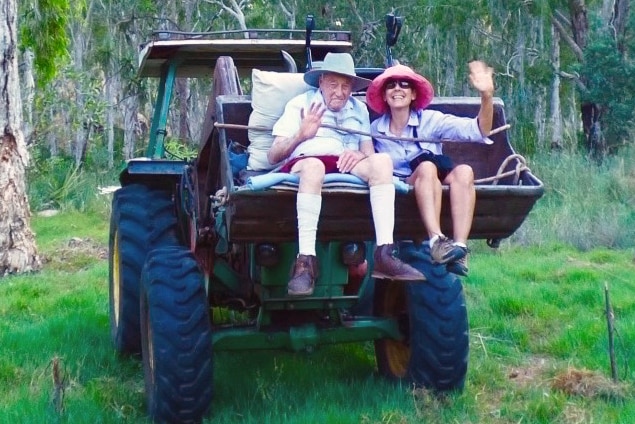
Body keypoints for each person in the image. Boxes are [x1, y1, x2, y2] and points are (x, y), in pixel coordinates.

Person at [268, 52, 424, 297]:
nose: (339, 92)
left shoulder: (358, 109)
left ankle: (384, 253)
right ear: (321, 82)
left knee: (382, 162)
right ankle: (305, 262)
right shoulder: (300, 104)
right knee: (314, 167)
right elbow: (273, 155)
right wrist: (302, 134)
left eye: (345, 86)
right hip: (306, 161)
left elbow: (368, 151)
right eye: (333, 84)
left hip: (344, 162)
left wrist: (360, 155)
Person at [365, 61, 495, 276]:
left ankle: (460, 248)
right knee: (426, 167)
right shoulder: (374, 130)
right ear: (384, 95)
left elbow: (479, 131)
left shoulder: (431, 120)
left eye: (404, 84)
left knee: (464, 172)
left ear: (414, 94)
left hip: (433, 182)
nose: (397, 89)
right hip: (403, 187)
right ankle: (436, 240)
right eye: (391, 85)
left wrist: (486, 96)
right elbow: (365, 158)